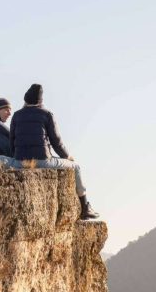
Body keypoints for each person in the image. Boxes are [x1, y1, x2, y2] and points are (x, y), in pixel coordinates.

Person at [9, 83, 99, 220]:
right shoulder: (46, 114)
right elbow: (56, 141)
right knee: (76, 167)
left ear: (25, 100)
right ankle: (85, 207)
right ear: (40, 100)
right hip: (43, 161)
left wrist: (17, 158)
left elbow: (12, 140)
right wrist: (67, 156)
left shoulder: (16, 115)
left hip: (20, 161)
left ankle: (86, 207)